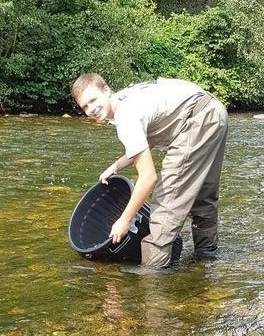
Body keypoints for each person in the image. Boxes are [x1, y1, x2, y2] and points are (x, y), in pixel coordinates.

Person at [71, 72, 228, 270]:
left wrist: (125, 220)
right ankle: (206, 262)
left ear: (106, 90)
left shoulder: (125, 117)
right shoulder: (127, 98)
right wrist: (116, 166)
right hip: (213, 111)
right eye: (85, 106)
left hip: (195, 122)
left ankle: (152, 282)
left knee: (165, 205)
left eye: (93, 100)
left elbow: (148, 178)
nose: (91, 109)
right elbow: (147, 139)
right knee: (203, 195)